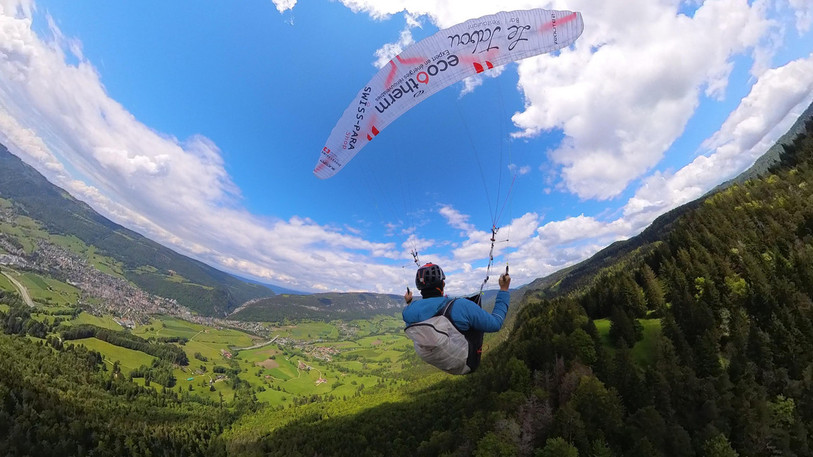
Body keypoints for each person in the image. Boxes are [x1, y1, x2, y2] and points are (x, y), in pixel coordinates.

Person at [402, 263, 510, 373]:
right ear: (442, 284)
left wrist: (409, 302)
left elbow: (420, 310)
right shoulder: (461, 306)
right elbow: (496, 323)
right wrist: (504, 289)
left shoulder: (408, 312)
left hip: (437, 359)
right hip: (467, 362)